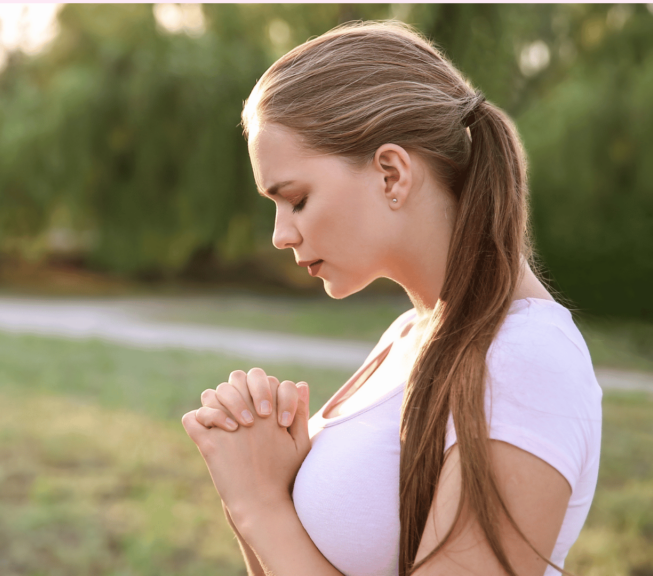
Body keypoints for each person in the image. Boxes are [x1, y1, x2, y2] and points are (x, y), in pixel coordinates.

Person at [180, 21, 602, 576]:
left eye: (297, 200)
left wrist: (260, 506)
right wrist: (267, 483)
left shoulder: (525, 362)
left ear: (391, 173)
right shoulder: (408, 335)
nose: (281, 234)